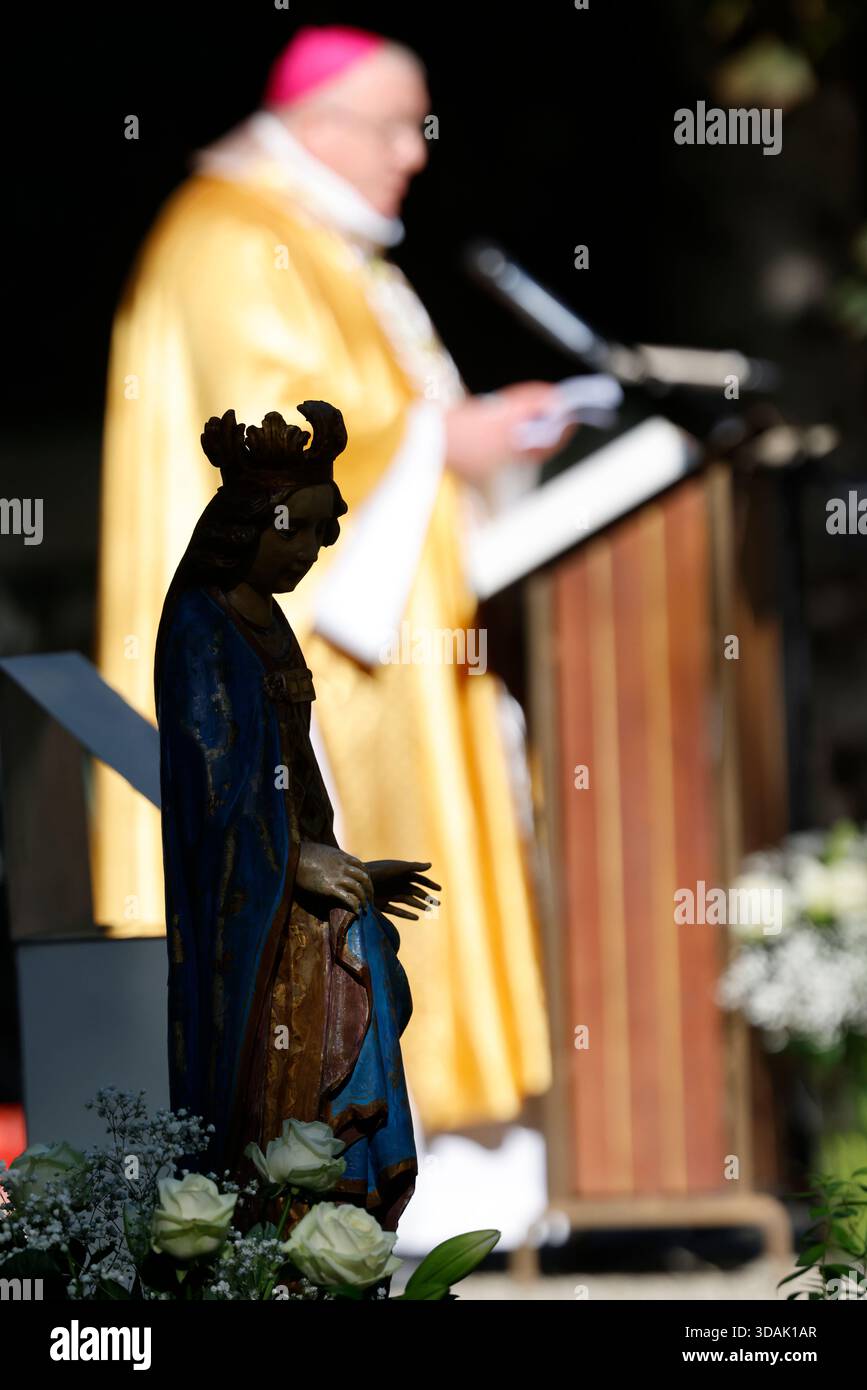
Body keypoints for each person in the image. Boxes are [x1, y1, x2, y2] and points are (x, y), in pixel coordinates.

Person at [97, 23, 565, 1132]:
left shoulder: (323, 244)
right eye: (398, 126)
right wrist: (442, 443)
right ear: (320, 125)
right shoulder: (226, 239)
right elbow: (270, 443)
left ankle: (438, 1162)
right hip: (308, 650)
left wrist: (451, 441)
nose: (416, 152)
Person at [156, 400, 434, 1231]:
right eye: (297, 531)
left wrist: (336, 859)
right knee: (281, 1074)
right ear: (244, 527)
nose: (312, 553)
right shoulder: (201, 624)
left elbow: (291, 773)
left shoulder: (268, 621)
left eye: (324, 533)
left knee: (367, 977)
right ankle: (276, 1232)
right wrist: (294, 862)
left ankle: (330, 1222)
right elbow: (214, 788)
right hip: (248, 912)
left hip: (289, 888)